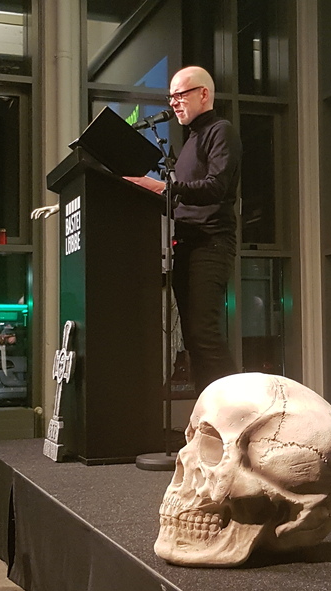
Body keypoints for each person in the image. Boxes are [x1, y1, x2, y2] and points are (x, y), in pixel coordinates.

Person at [131, 66, 242, 395]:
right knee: (194, 339)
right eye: (171, 97)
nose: (173, 102)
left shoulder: (220, 131)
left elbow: (216, 187)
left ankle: (235, 411)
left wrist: (163, 187)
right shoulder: (192, 140)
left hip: (211, 243)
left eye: (180, 95)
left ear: (203, 94)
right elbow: (182, 197)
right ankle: (209, 413)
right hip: (188, 244)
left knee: (205, 334)